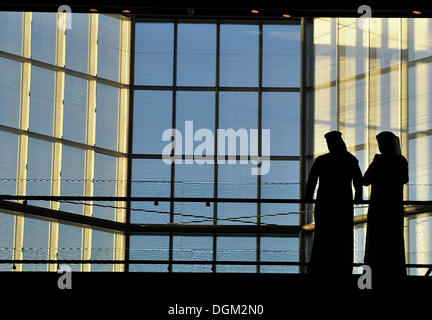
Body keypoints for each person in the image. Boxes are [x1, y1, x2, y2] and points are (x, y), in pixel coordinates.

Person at [305, 131, 363, 277]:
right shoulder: (350, 159)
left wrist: (308, 196)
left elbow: (311, 181)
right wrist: (358, 195)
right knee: (342, 236)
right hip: (343, 203)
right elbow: (358, 180)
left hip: (325, 202)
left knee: (323, 235)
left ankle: (320, 264)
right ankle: (342, 265)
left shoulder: (322, 160)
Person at [363, 131, 408, 281]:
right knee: (393, 239)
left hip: (379, 205)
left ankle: (373, 273)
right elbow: (404, 178)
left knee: (376, 240)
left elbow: (366, 180)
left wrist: (378, 165)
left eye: (382, 144)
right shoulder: (400, 160)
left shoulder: (380, 161)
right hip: (393, 206)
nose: (381, 147)